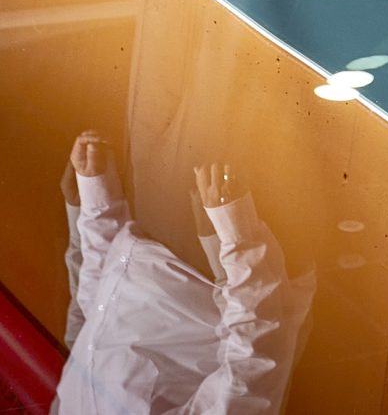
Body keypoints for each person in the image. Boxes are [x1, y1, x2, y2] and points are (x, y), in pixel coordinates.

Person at [56, 136, 312, 415]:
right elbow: (251, 376)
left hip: (144, 226)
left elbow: (96, 317)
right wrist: (233, 233)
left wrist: (95, 199)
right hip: (204, 250)